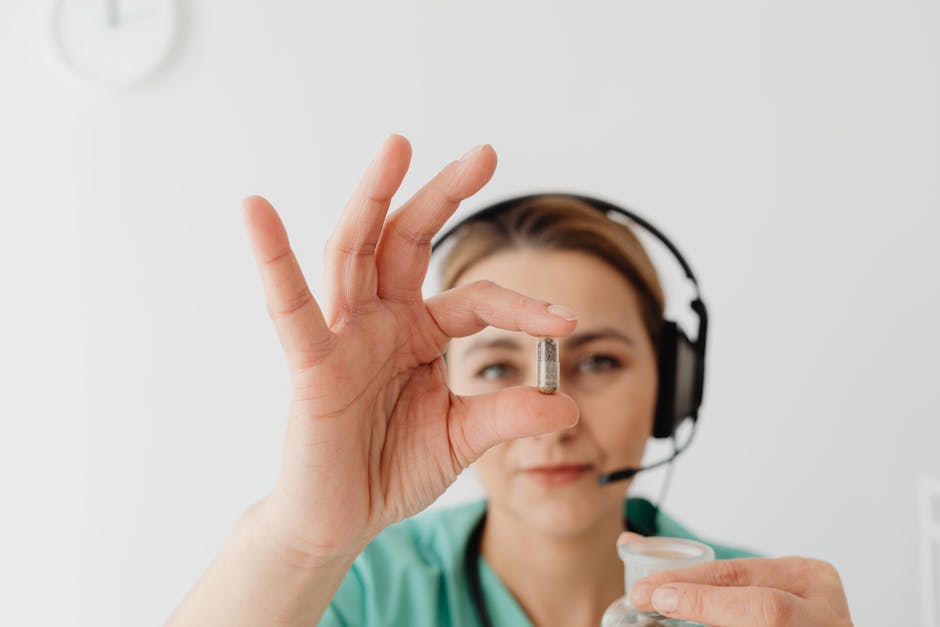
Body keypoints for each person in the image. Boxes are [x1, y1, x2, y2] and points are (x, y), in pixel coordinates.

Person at [166, 135, 854, 626]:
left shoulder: (757, 603)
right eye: (497, 366)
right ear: (445, 383)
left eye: (602, 360)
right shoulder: (357, 588)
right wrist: (303, 537)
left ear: (673, 385)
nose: (549, 415)